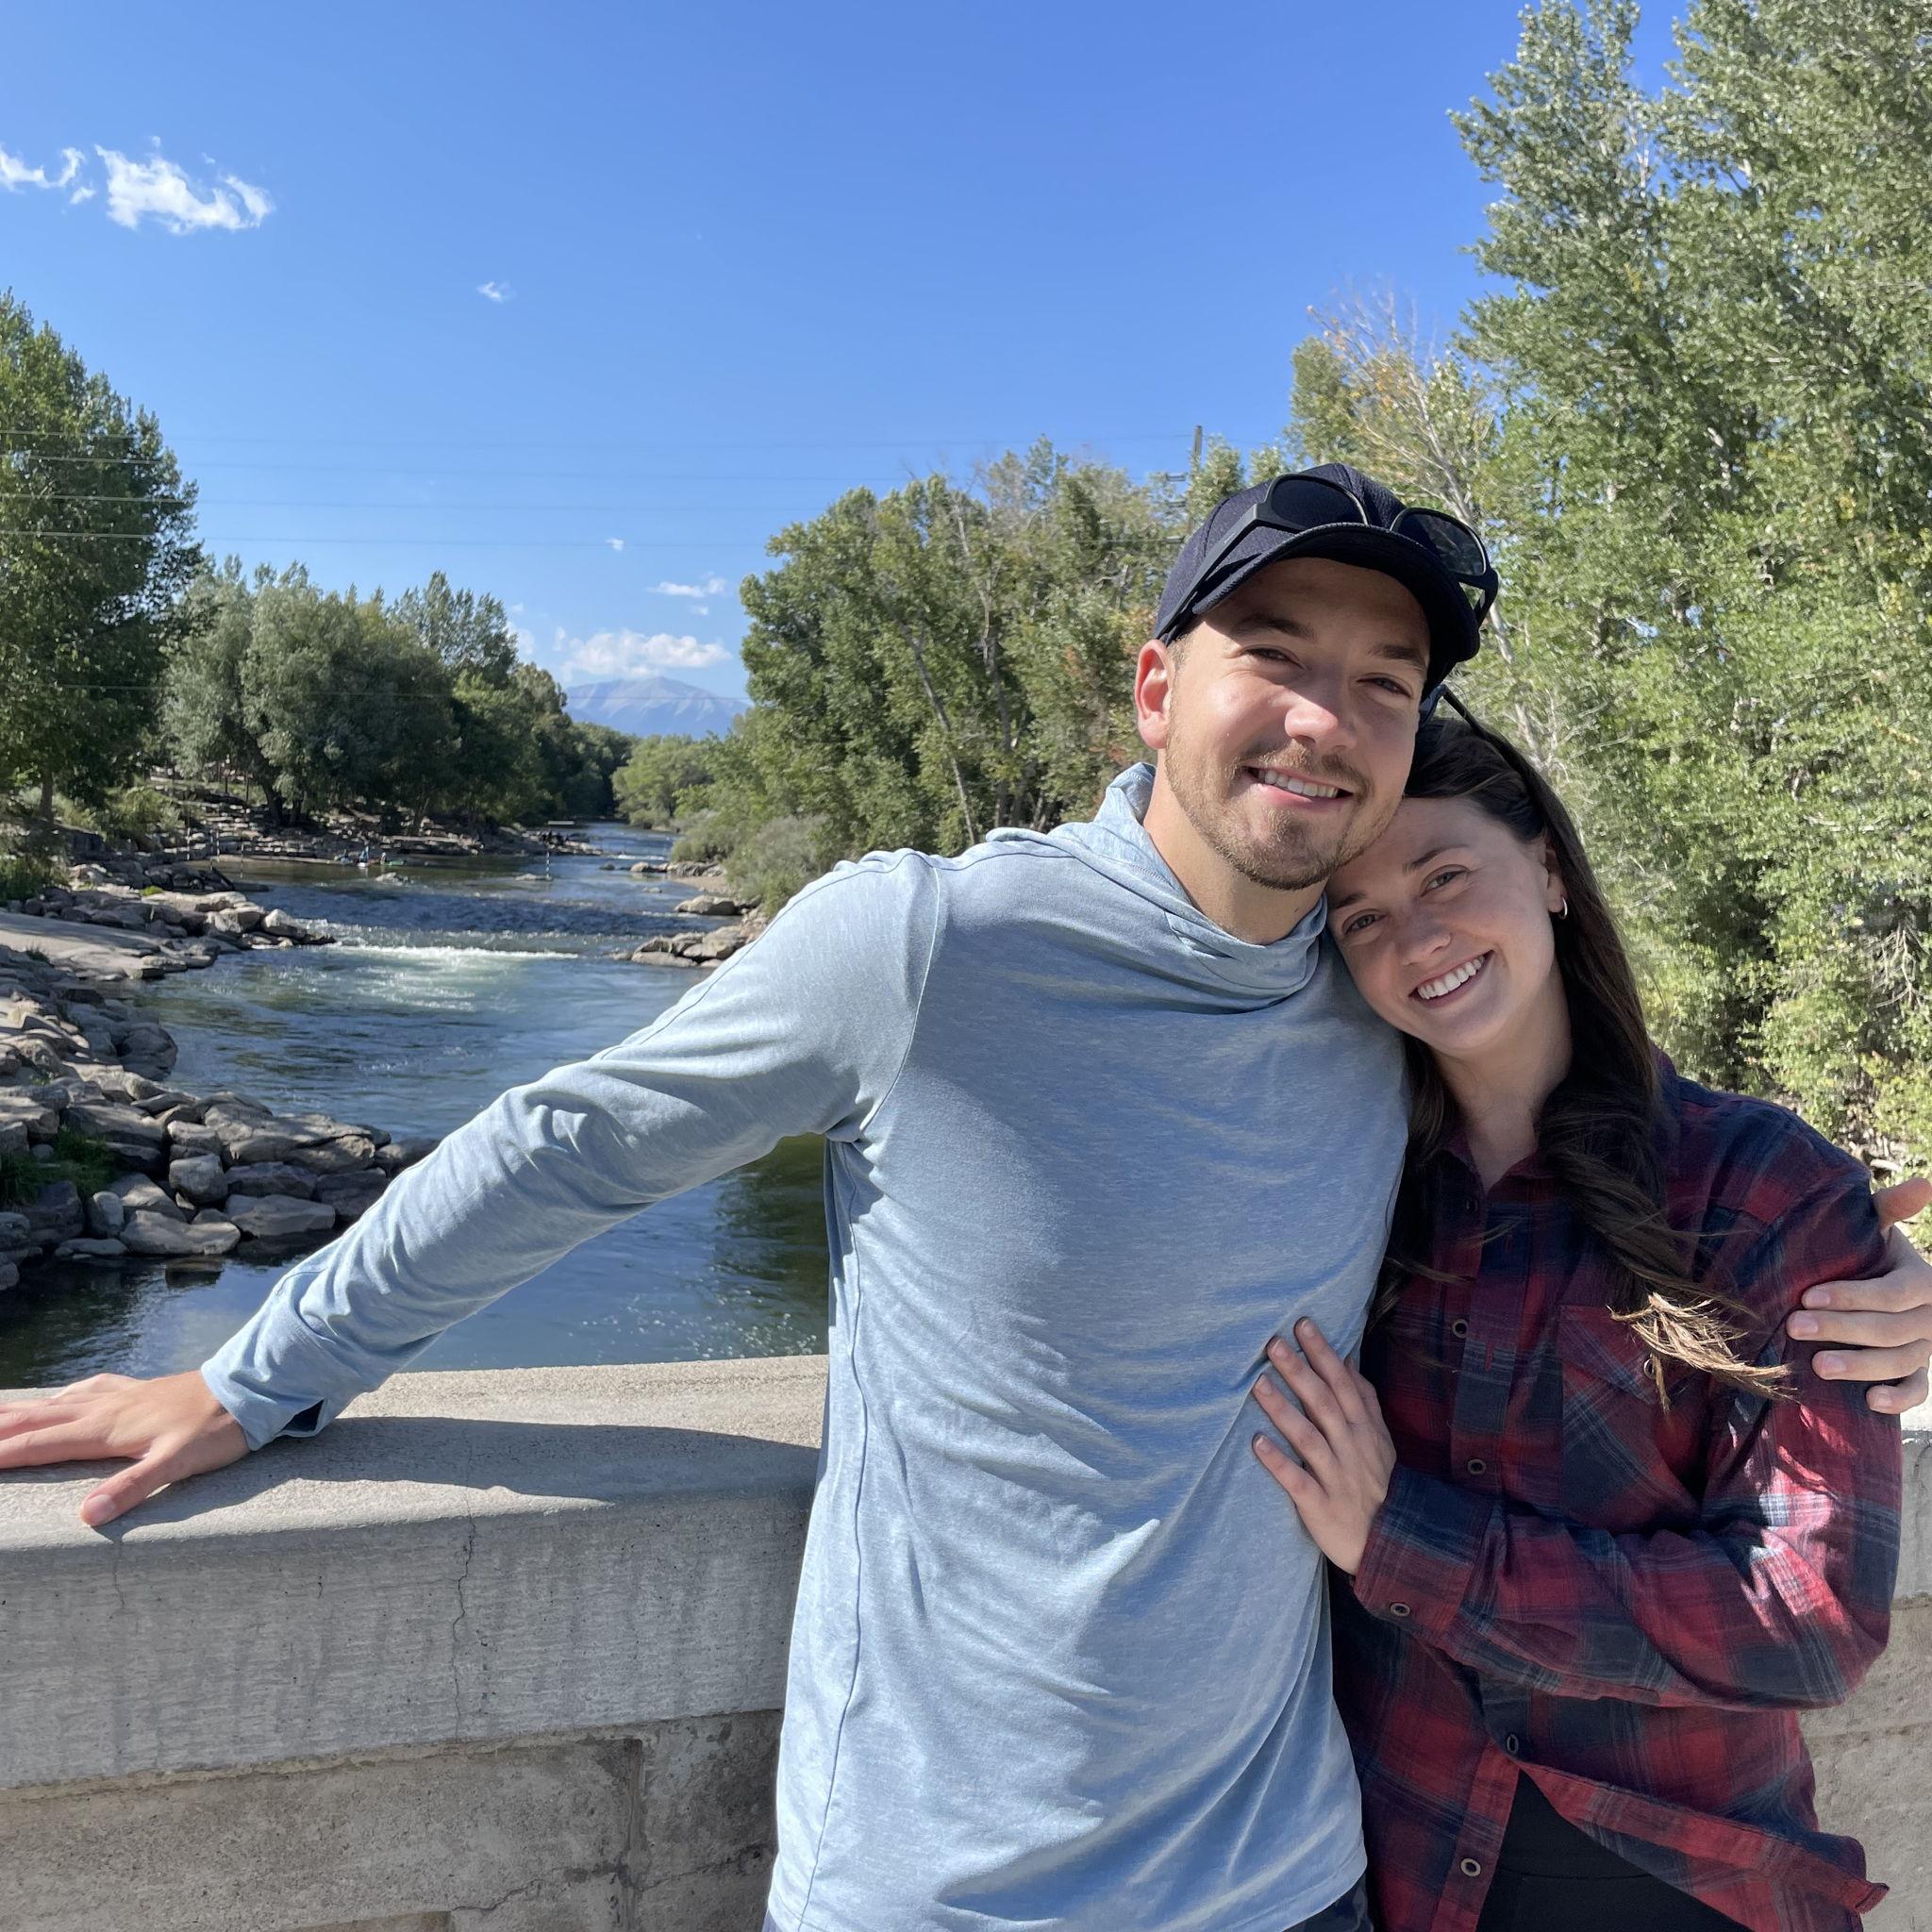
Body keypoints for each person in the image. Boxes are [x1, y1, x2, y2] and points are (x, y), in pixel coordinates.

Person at [1, 468, 1926, 1932]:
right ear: (1158, 685)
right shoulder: (925, 947)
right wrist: (255, 1376)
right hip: (941, 1891)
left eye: (1382, 682)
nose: (1324, 718)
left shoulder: (1375, 1016)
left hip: (1291, 1881)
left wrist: (1877, 1272)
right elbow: (562, 1145)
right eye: (1275, 657)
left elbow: (1621, 1171)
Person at [1252, 710, 1913, 1932]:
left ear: (1549, 869)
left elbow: (1809, 1618)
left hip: (1692, 1877)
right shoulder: (1344, 1202)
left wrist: (1406, 1540)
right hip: (1400, 1869)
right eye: (1362, 919)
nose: (1418, 938)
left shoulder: (1759, 1188)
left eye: (1445, 876)